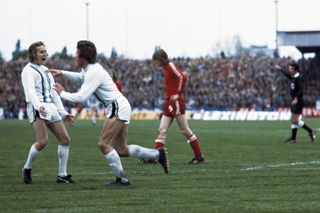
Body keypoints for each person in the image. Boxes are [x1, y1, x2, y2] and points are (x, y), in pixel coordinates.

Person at [49, 40, 169, 187]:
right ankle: (158, 154)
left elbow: (81, 97)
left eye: (76, 54)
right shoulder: (92, 69)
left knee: (103, 144)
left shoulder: (93, 72)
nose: (75, 57)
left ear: (82, 56)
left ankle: (122, 179)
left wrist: (62, 93)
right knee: (121, 149)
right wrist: (62, 73)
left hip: (116, 106)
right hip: (120, 105)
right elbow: (80, 77)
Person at [21, 41, 75, 184]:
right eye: (41, 51)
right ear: (33, 54)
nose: (45, 54)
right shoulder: (28, 70)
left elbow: (54, 92)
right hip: (37, 107)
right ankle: (27, 168)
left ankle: (62, 175)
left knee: (65, 139)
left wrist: (63, 113)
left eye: (45, 51)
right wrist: (38, 106)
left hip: (50, 107)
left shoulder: (46, 70)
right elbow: (30, 91)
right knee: (42, 142)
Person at [147, 49, 204, 164]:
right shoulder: (165, 68)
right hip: (169, 103)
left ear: (161, 59)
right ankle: (154, 156)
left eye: (155, 60)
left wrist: (177, 94)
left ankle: (199, 156)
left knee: (185, 130)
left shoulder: (170, 66)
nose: (154, 63)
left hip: (176, 103)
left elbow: (183, 77)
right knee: (162, 130)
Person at [275, 63, 316, 144]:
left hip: (298, 102)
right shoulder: (293, 77)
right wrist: (280, 69)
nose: (289, 70)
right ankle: (293, 139)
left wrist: (296, 98)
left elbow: (301, 90)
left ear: (295, 70)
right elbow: (287, 74)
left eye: (291, 69)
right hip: (294, 100)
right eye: (289, 68)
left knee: (295, 120)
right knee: (293, 120)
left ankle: (311, 131)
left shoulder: (298, 78)